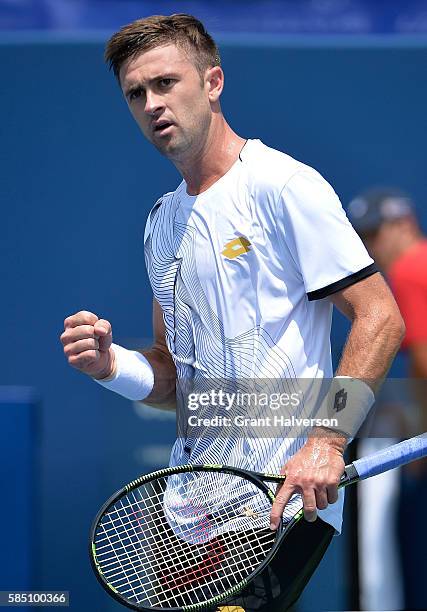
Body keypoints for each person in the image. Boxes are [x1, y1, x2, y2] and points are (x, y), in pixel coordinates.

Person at [60, 14, 405, 611]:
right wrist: (110, 365)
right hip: (186, 511)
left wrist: (327, 440)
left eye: (166, 83)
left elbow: (380, 317)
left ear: (213, 82)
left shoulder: (282, 186)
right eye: (136, 94)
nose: (151, 104)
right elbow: (176, 381)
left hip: (279, 502)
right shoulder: (160, 224)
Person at [348, 187, 427, 611]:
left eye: (376, 234)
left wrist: (419, 436)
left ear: (404, 226)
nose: (370, 248)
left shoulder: (411, 268)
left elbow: (426, 361)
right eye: (364, 237)